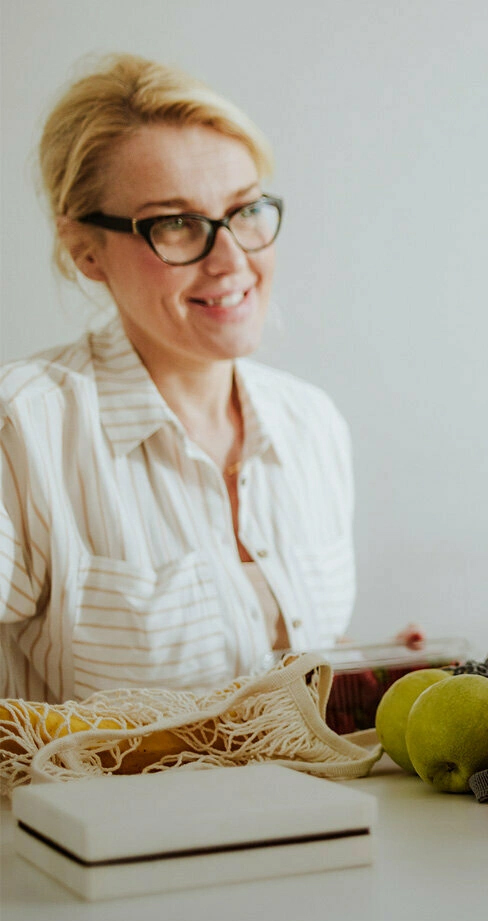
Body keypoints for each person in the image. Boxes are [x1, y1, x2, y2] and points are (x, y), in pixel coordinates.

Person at [0, 54, 416, 703]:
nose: (230, 259)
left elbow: (270, 689)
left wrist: (366, 677)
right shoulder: (23, 431)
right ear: (87, 250)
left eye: (245, 210)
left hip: (316, 808)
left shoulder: (312, 426)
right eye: (175, 223)